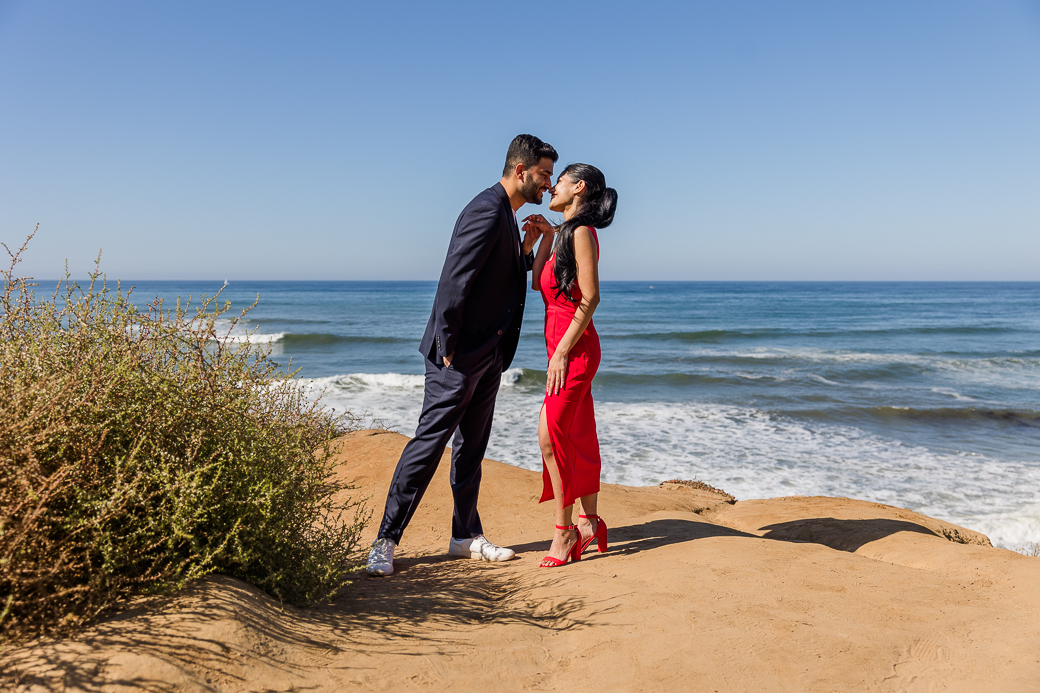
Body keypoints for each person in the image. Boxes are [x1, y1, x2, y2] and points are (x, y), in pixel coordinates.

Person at [365, 134, 558, 576]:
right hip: (460, 353)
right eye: (544, 174)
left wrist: (528, 248)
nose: (547, 185)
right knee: (429, 443)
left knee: (471, 448)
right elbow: (455, 276)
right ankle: (385, 541)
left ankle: (464, 535)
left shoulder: (507, 217)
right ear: (521, 170)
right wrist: (447, 346)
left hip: (488, 352)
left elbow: (501, 275)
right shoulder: (487, 209)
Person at [522, 163, 617, 567]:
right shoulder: (562, 233)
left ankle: (564, 534)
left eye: (558, 180)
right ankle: (589, 520)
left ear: (578, 188)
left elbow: (590, 297)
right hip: (559, 346)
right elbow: (537, 284)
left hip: (574, 349)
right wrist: (543, 236)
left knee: (551, 437)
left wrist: (562, 352)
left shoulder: (581, 233)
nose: (552, 185)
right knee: (576, 433)